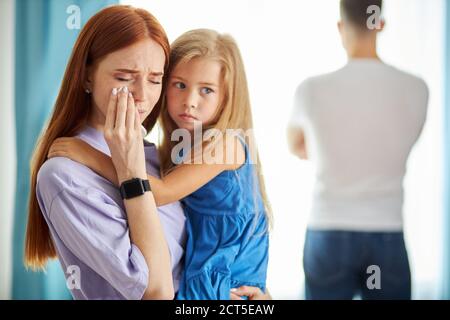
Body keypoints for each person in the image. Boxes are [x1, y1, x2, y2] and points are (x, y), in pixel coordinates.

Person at [25, 5, 266, 300]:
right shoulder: (65, 174)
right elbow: (155, 292)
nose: (142, 95)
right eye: (125, 77)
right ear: (86, 76)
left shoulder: (152, 153)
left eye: (155, 79)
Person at [287, 0, 428, 300]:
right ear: (381, 24)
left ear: (341, 27)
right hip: (386, 234)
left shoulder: (311, 89)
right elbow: (405, 141)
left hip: (328, 231)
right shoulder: (416, 88)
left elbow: (296, 146)